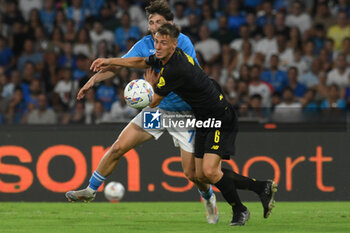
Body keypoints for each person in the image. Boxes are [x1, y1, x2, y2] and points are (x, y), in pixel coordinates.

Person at [90, 23, 277, 226]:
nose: (158, 47)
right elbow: (141, 60)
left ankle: (240, 210)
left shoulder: (174, 69)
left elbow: (153, 102)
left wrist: (150, 85)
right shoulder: (169, 56)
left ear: (174, 44)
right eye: (156, 42)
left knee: (210, 172)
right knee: (199, 174)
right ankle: (261, 188)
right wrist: (109, 60)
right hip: (202, 117)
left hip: (219, 116)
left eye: (163, 43)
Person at [65, 0, 219, 224]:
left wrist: (113, 60)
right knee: (118, 146)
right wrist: (94, 80)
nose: (155, 26)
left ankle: (208, 198)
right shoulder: (145, 43)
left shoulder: (181, 42)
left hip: (186, 114)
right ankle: (91, 189)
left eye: (159, 21)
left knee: (192, 174)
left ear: (170, 25)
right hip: (159, 110)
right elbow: (121, 65)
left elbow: (142, 63)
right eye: (151, 22)